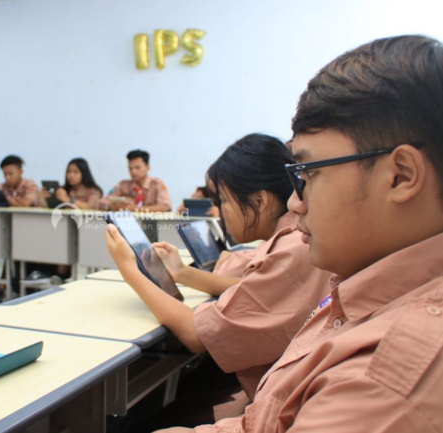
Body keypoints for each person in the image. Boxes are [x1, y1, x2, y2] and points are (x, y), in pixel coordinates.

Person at [156, 35, 443, 433]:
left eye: (308, 174)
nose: (295, 202)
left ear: (400, 176)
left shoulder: (381, 384)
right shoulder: (356, 285)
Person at [106, 134, 333, 406]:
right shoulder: (293, 237)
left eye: (224, 200)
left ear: (259, 201)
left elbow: (195, 334)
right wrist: (182, 272)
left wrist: (131, 270)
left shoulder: (291, 249)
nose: (220, 212)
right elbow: (253, 287)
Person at [101, 149, 172, 212]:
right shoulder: (123, 185)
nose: (133, 172)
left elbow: (165, 207)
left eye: (137, 168)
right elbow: (102, 202)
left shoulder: (157, 184)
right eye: (130, 168)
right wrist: (111, 207)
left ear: (148, 167)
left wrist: (136, 209)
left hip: (151, 222)